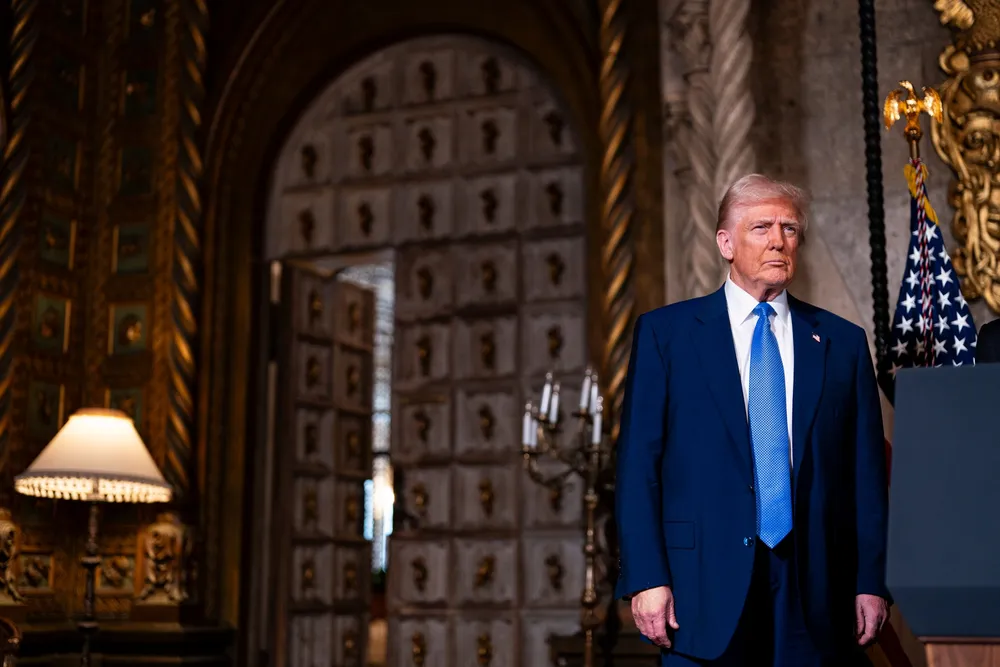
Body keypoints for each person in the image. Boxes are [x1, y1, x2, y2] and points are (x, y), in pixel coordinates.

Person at [614, 174, 891, 666]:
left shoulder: (843, 342)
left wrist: (871, 581)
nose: (778, 241)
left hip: (815, 591)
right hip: (699, 590)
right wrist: (647, 578)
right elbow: (638, 468)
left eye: (789, 228)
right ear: (726, 243)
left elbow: (865, 477)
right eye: (761, 227)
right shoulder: (667, 335)